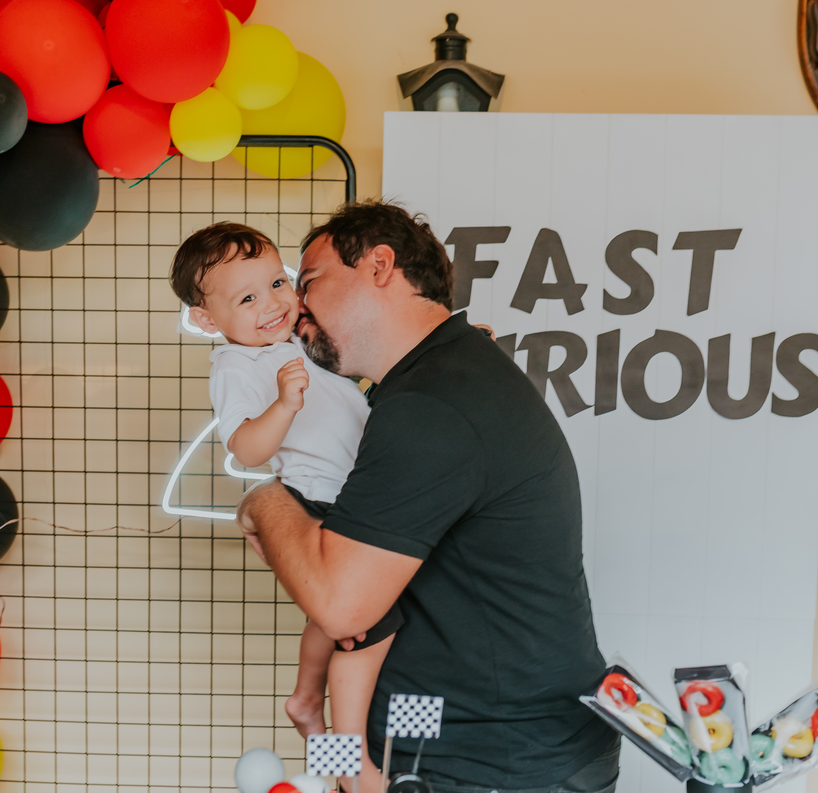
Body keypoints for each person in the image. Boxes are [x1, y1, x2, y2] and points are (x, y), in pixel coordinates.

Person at [236, 201, 620, 793]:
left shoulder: (433, 404)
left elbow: (341, 604)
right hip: (449, 737)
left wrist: (264, 499)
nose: (295, 308)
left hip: (493, 762)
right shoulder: (436, 380)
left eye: (308, 282)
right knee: (342, 731)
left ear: (380, 265)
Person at [169, 222, 403, 784]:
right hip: (316, 496)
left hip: (355, 490)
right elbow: (246, 448)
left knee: (344, 622)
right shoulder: (237, 366)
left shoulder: (299, 340)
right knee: (365, 625)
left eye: (277, 282)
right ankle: (341, 756)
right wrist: (282, 406)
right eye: (247, 298)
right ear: (206, 320)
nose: (272, 303)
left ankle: (308, 704)